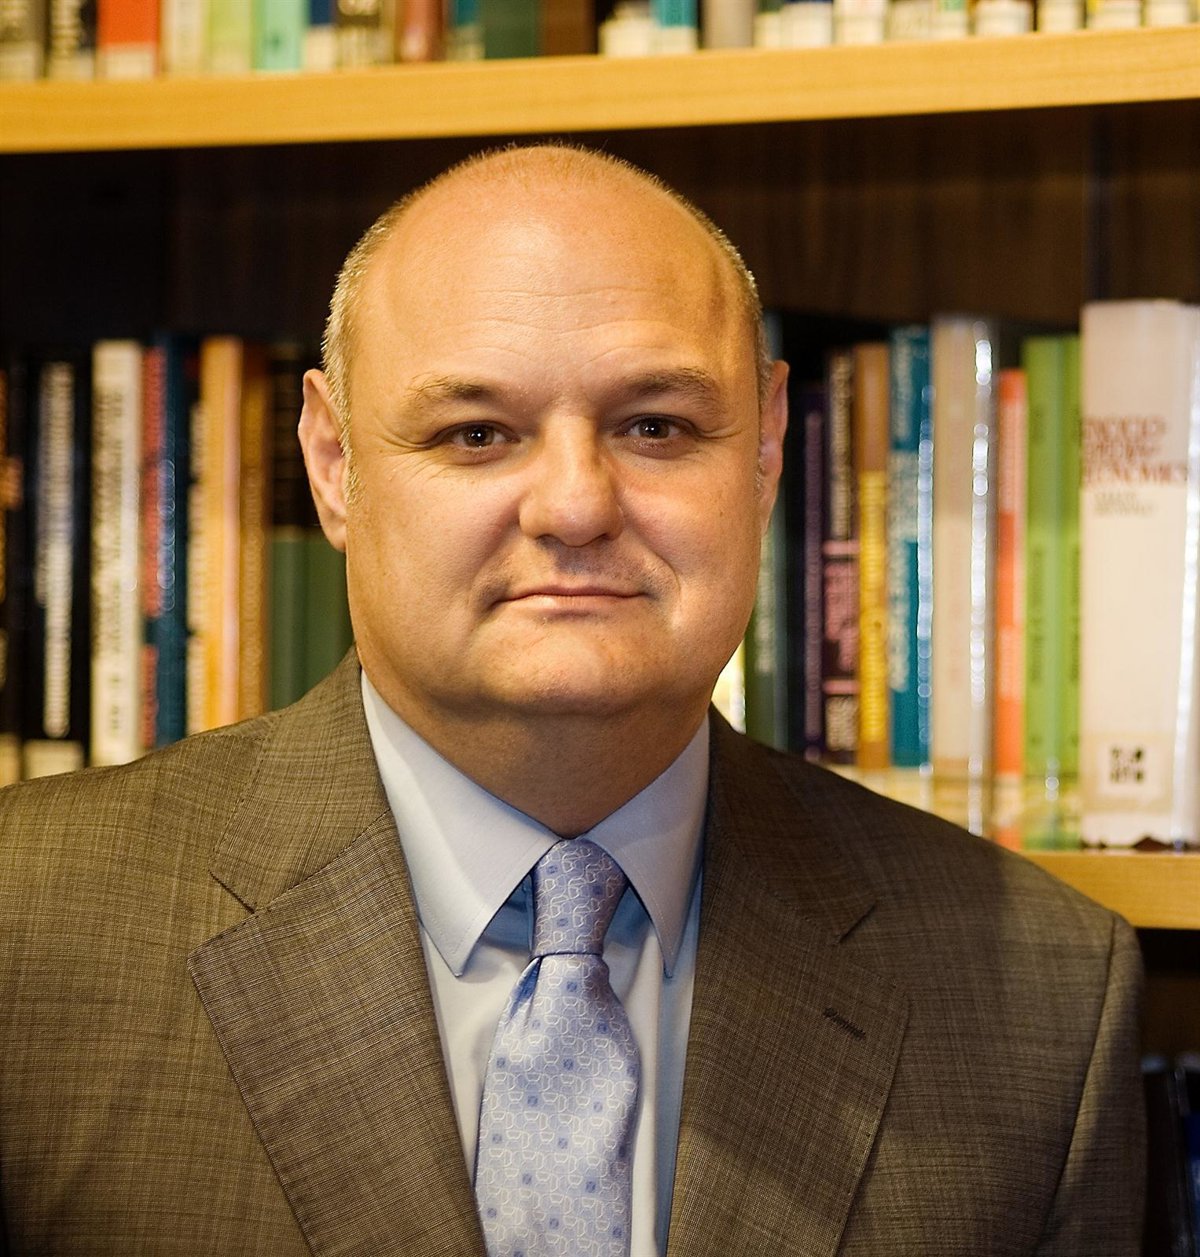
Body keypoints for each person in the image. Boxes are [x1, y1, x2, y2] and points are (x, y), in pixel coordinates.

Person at [0, 144, 1144, 1256]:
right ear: (335, 464)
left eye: (656, 426)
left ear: (765, 454)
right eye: (477, 433)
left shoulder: (1041, 1001)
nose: (576, 506)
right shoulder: (28, 931)